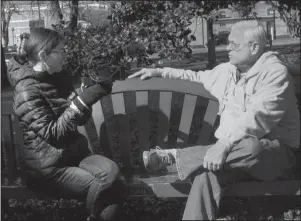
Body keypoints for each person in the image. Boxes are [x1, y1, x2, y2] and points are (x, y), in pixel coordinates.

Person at [128, 20, 300, 220]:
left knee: (252, 147)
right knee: (206, 172)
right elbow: (195, 76)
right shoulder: (226, 71)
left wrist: (225, 144)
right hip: (233, 158)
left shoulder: (275, 74)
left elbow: (259, 118)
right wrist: (161, 72)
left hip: (275, 157)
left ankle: (175, 157)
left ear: (254, 47)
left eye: (234, 45)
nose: (227, 48)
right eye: (227, 43)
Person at [7, 27, 128, 221]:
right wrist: (81, 102)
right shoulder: (26, 90)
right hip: (47, 169)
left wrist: (91, 92)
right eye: (61, 51)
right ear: (43, 55)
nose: (65, 55)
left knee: (113, 175)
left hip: (74, 154)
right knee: (109, 188)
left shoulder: (58, 76)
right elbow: (53, 133)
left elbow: (80, 118)